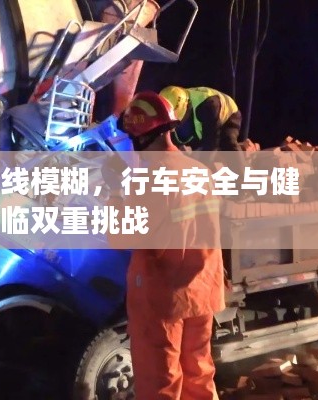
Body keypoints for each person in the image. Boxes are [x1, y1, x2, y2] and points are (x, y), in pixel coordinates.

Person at [103, 91, 226, 399]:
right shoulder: (198, 170)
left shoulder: (151, 179)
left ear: (141, 137)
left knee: (161, 381)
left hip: (163, 297)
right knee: (198, 374)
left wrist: (115, 192)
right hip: (201, 290)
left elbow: (122, 236)